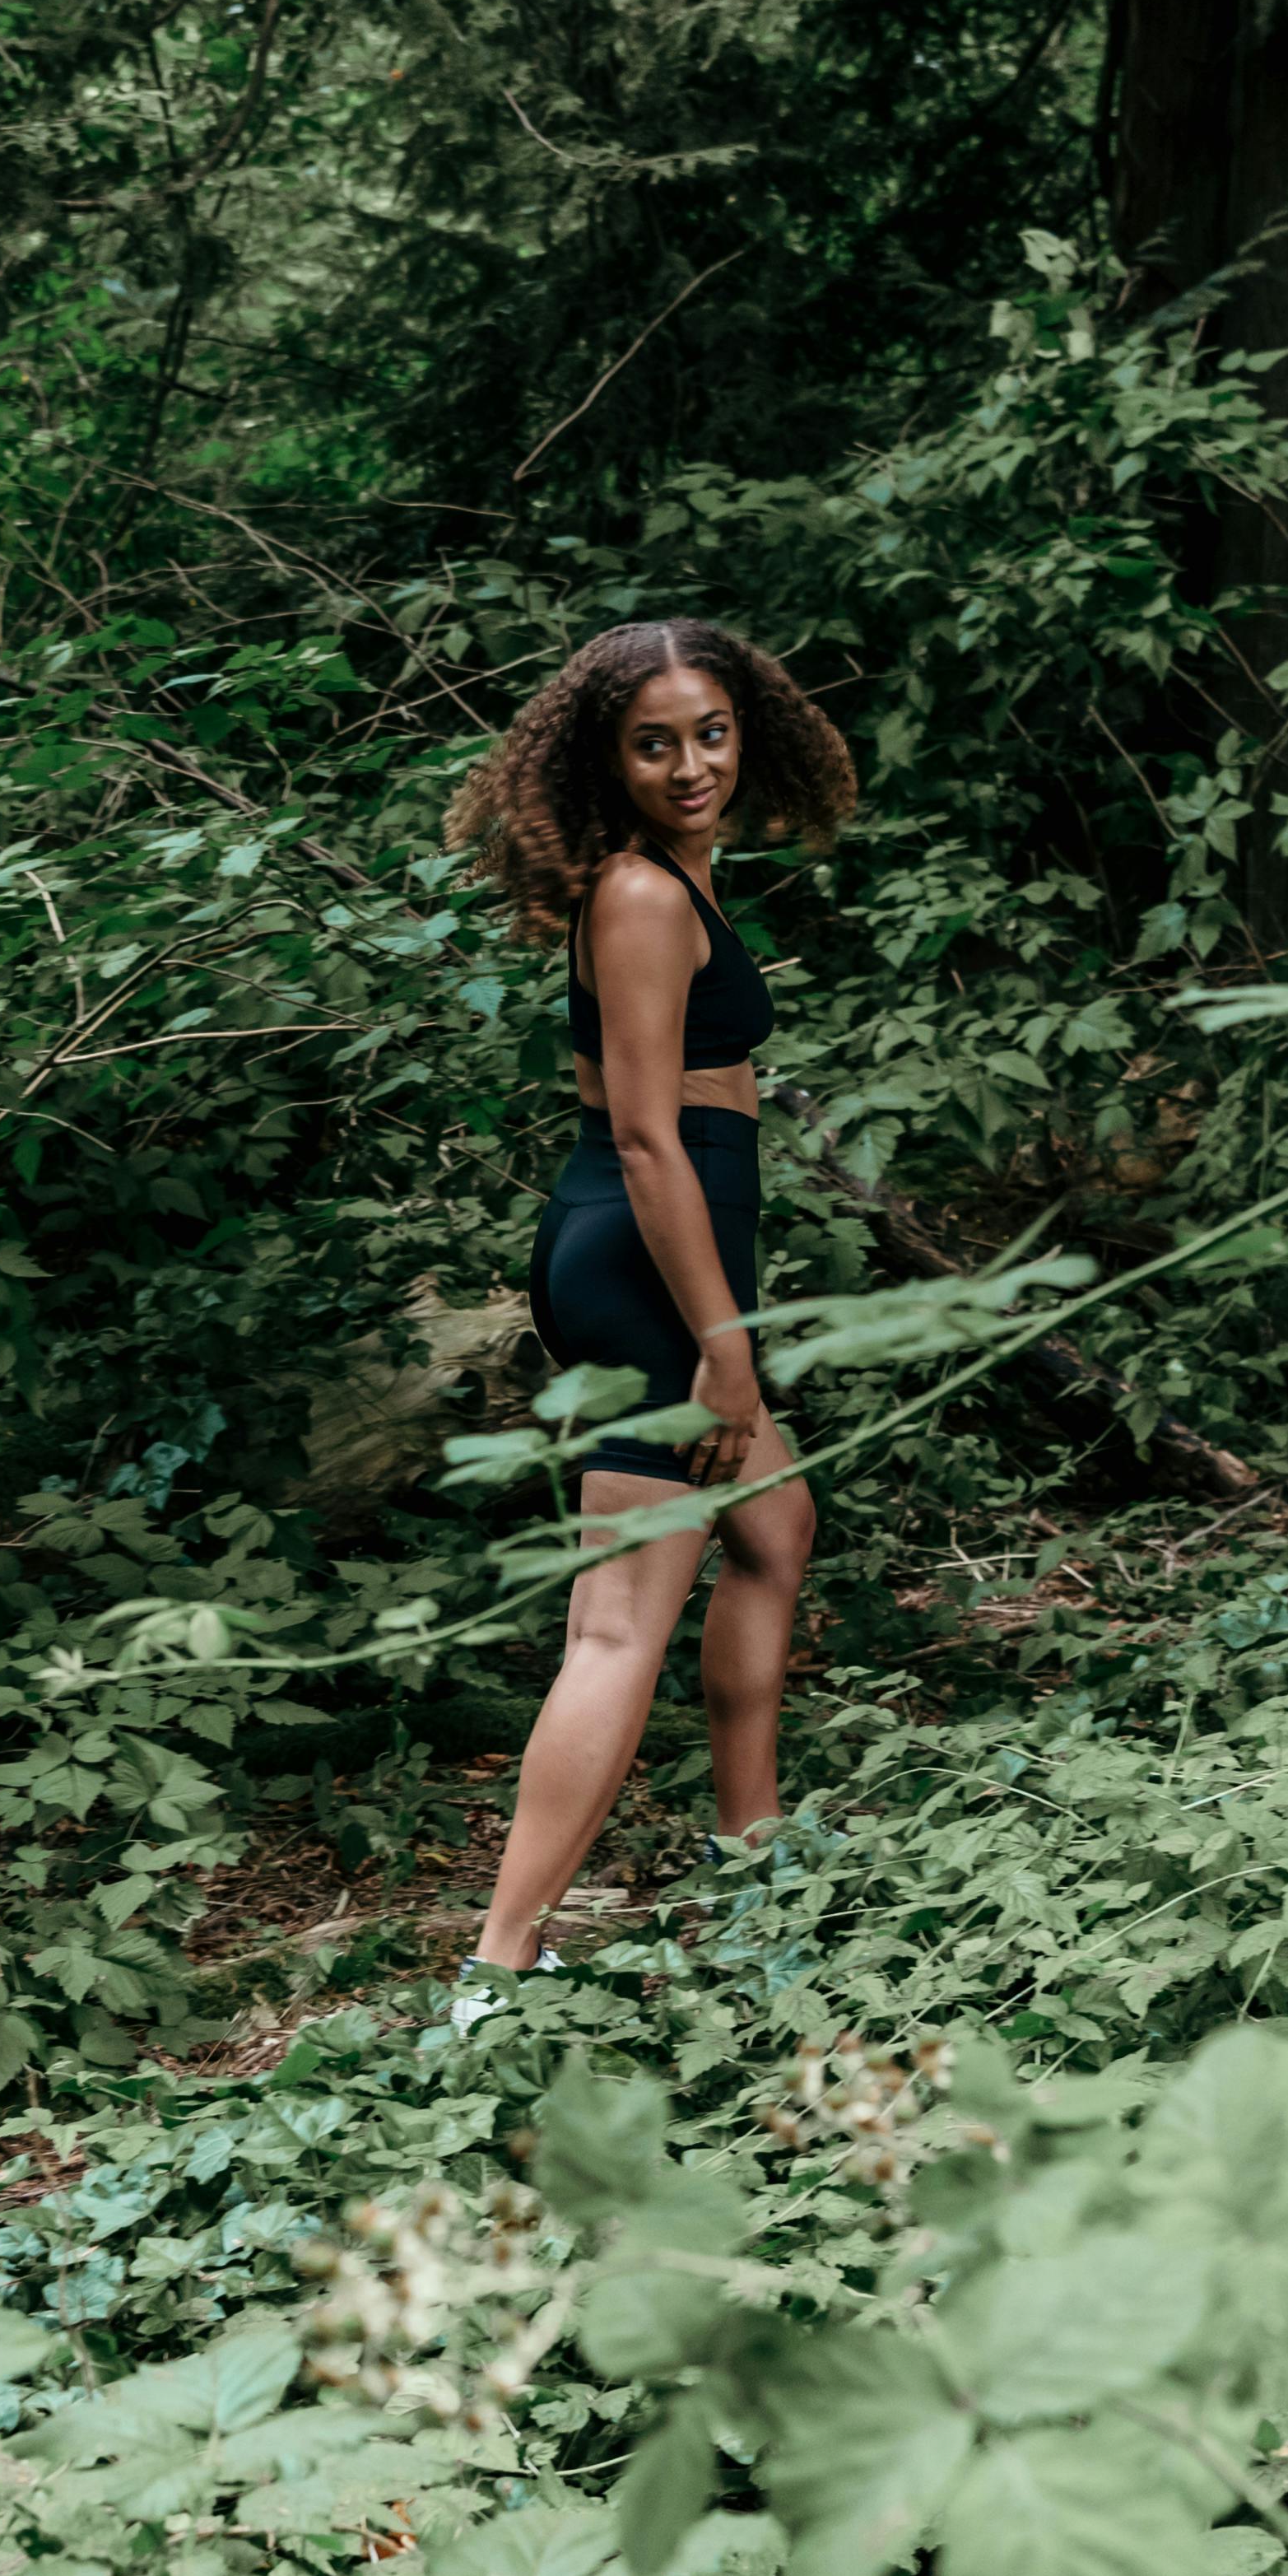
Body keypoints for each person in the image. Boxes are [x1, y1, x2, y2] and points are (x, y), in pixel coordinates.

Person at [441, 621, 856, 2002]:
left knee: (774, 1528)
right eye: (654, 744)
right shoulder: (636, 893)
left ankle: (754, 1861)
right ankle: (496, 1967)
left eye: (710, 734)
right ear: (604, 761)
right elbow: (641, 1137)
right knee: (619, 1623)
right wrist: (723, 1351)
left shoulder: (679, 875)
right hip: (642, 1273)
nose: (690, 767)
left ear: (748, 733)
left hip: (663, 1263)